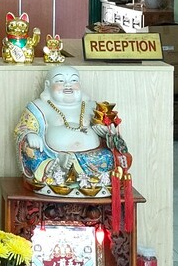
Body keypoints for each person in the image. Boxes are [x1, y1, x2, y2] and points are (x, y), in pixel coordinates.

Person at [14, 64, 113, 193]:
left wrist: (107, 131)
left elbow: (111, 132)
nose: (68, 85)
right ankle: (56, 165)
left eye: (74, 80)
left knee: (110, 155)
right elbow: (23, 127)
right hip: (52, 156)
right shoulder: (38, 106)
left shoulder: (93, 106)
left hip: (91, 158)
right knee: (29, 147)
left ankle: (82, 172)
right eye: (60, 80)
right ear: (47, 85)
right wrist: (30, 134)